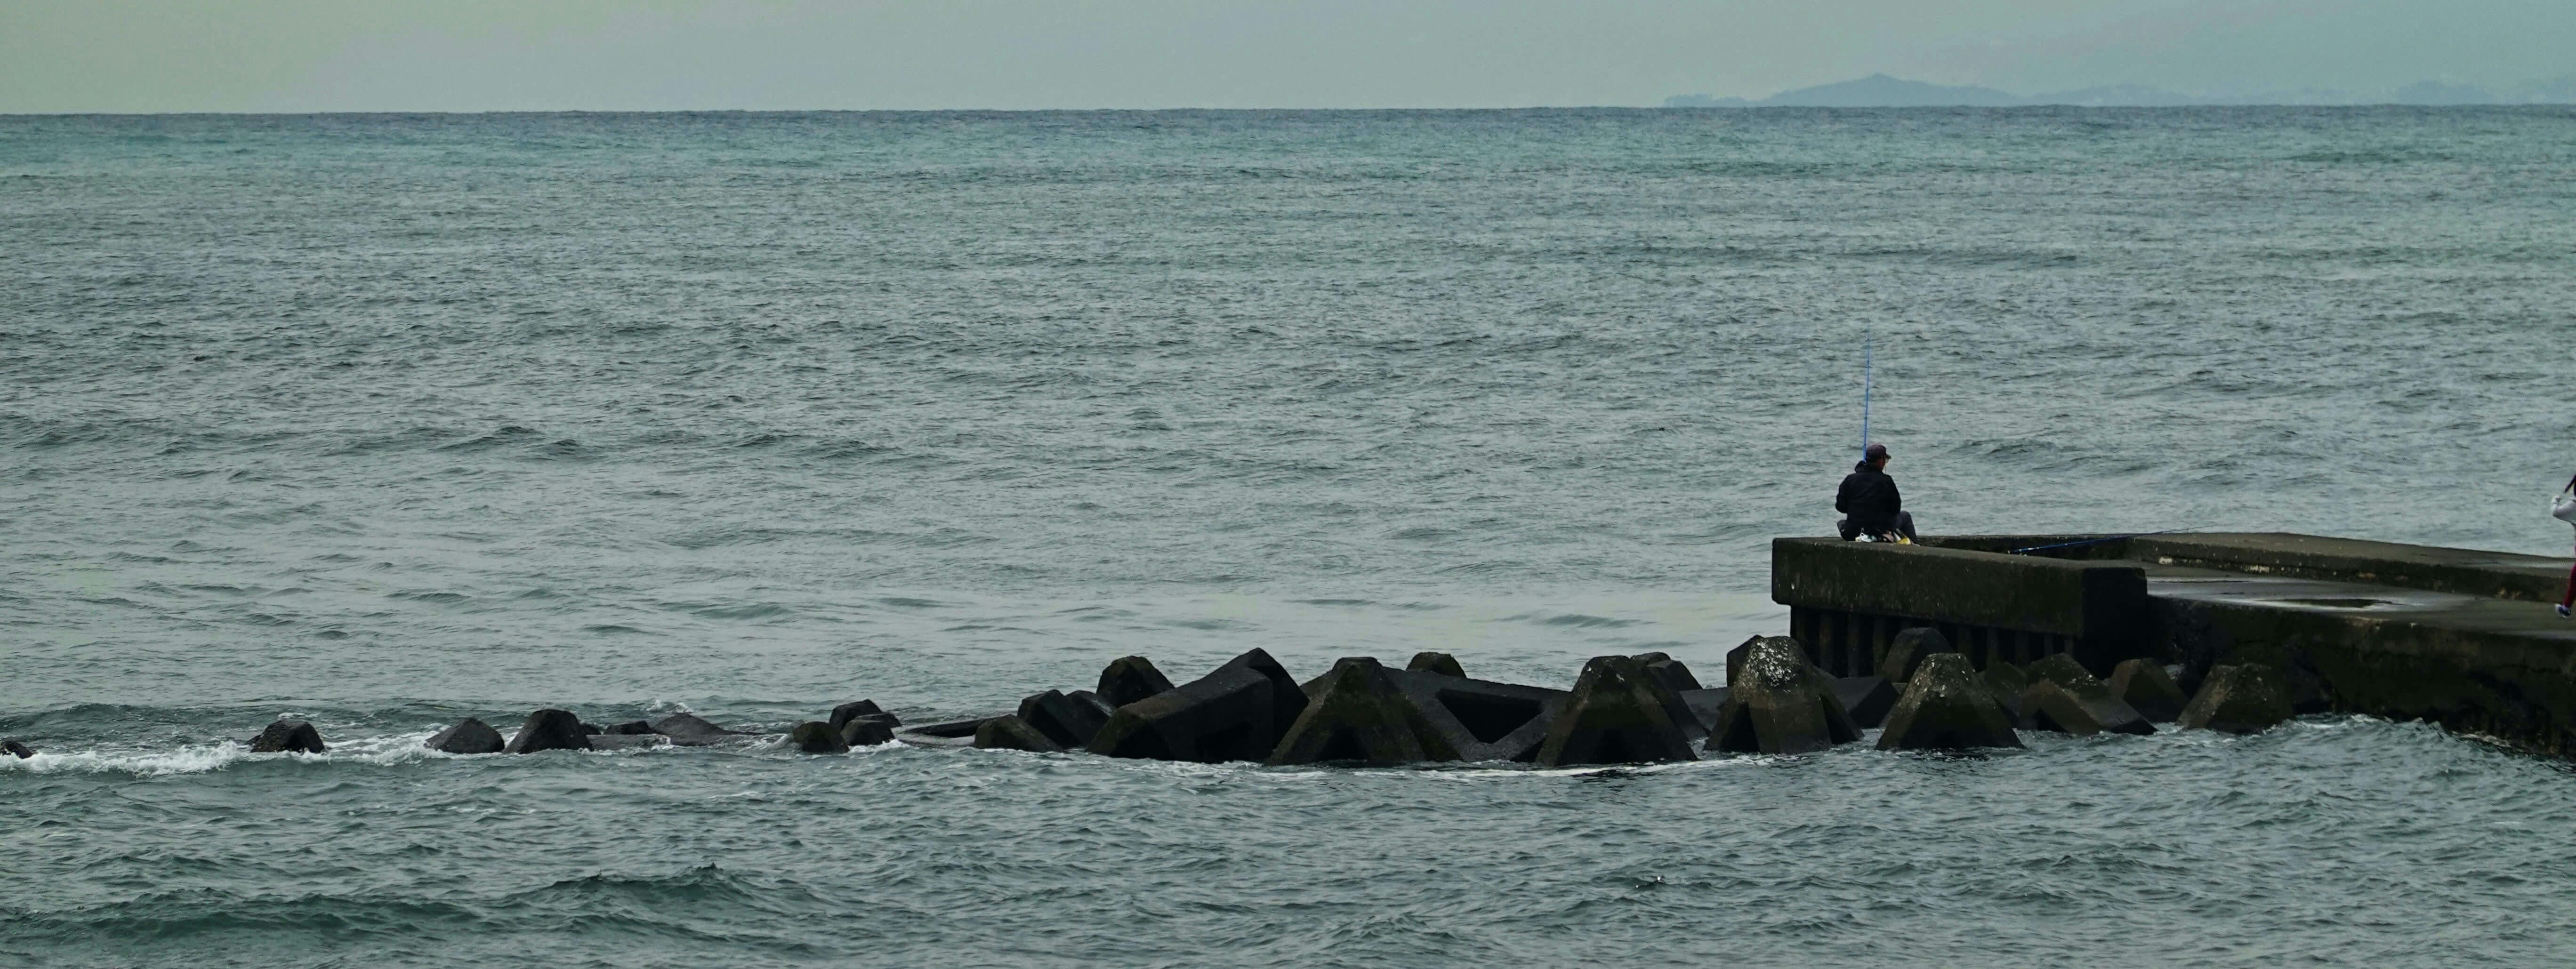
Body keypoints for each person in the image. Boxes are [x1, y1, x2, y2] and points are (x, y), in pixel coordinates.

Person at [1836, 443, 1916, 542]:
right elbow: (1895, 509)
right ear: (1881, 460)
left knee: (1841, 523)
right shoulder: (1886, 481)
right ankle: (1915, 546)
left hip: (1853, 531)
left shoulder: (1850, 479)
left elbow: (1840, 507)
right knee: (1906, 516)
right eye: (1885, 460)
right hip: (1879, 529)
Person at [2554, 473, 2576, 618]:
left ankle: (2566, 607)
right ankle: (2566, 607)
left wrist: (2554, 500)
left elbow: (2556, 512)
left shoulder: (2574, 506)